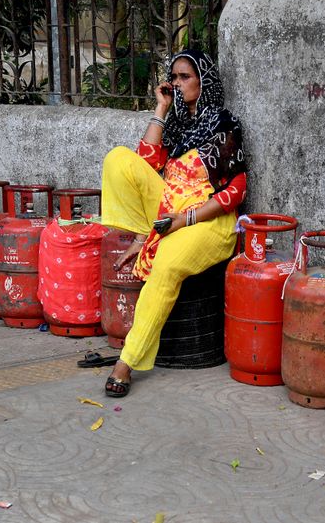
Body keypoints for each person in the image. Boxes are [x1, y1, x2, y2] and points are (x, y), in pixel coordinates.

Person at [100, 49, 247, 397]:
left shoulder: (224, 125)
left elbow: (236, 190)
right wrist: (161, 109)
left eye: (185, 77)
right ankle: (143, 233)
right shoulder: (178, 126)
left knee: (165, 265)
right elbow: (146, 163)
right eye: (174, 77)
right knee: (118, 159)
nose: (177, 84)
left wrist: (185, 218)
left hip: (208, 221)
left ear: (203, 81)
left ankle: (126, 362)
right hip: (169, 208)